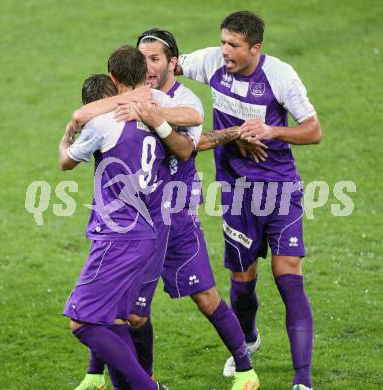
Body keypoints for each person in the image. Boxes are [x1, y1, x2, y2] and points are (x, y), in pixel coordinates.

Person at [75, 29, 260, 390]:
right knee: (127, 310)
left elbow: (187, 148)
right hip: (140, 221)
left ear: (173, 62)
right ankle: (120, 377)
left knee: (205, 297)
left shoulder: (184, 99)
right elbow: (90, 117)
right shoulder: (128, 96)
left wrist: (154, 115)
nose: (147, 66)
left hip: (176, 217)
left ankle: (245, 369)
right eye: (142, 59)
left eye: (155, 58)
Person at [176, 10, 322, 390]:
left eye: (234, 46)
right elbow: (166, 66)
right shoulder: (211, 61)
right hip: (236, 192)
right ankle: (249, 338)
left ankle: (302, 379)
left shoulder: (280, 75)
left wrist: (271, 130)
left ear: (255, 48)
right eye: (223, 41)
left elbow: (313, 130)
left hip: (279, 189)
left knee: (288, 276)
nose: (225, 50)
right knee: (242, 281)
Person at [59, 46, 183, 390]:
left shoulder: (103, 122)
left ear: (114, 80)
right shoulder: (153, 116)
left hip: (117, 236)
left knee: (82, 322)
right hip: (146, 233)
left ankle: (148, 386)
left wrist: (66, 135)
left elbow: (66, 161)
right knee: (113, 319)